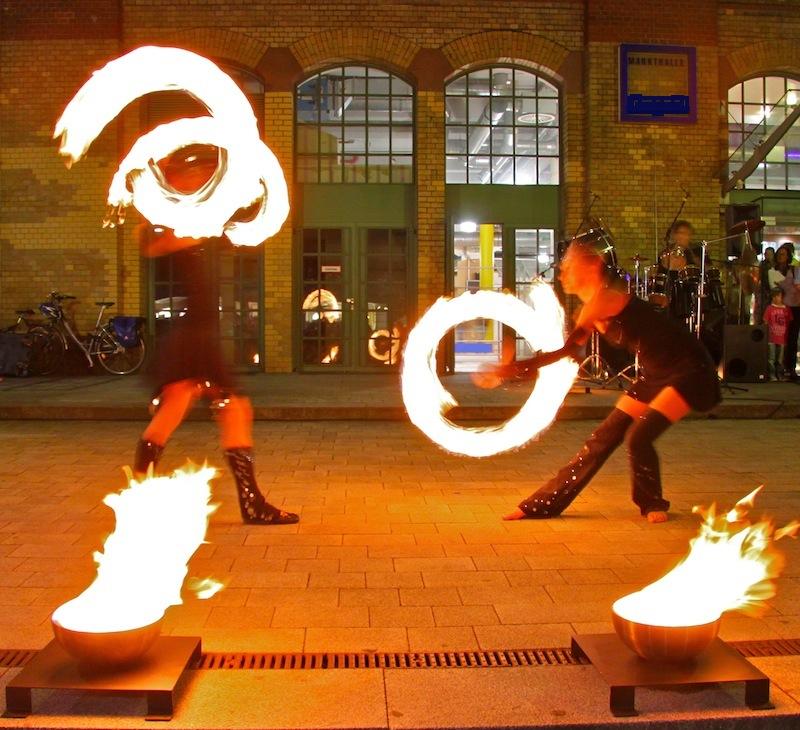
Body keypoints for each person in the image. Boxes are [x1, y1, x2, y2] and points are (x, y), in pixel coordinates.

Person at [474, 240, 721, 523]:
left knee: (639, 438)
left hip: (688, 370)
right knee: (603, 437)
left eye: (569, 266)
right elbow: (568, 354)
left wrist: (512, 369)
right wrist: (513, 370)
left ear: (592, 266)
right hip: (655, 373)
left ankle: (652, 503)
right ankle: (542, 504)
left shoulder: (604, 300)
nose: (562, 273)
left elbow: (565, 351)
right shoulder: (589, 309)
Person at [132, 150, 299, 525]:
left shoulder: (196, 218)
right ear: (175, 183)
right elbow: (153, 242)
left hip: (198, 333)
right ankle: (252, 505)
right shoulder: (169, 222)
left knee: (177, 411)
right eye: (194, 175)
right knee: (234, 409)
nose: (203, 180)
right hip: (193, 335)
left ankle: (139, 497)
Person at [772, 244, 800, 381]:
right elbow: (773, 289)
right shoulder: (773, 271)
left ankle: (791, 368)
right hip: (779, 307)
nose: (780, 256)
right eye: (779, 254)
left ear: (788, 256)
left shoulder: (794, 269)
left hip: (794, 306)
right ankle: (778, 368)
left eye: (783, 254)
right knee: (779, 338)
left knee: (793, 338)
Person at [763, 287, 793, 380]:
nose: (777, 298)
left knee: (780, 359)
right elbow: (765, 321)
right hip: (771, 337)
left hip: (782, 338)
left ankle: (779, 374)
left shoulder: (786, 309)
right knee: (771, 358)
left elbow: (790, 321)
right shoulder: (769, 308)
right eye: (775, 296)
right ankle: (772, 374)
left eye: (779, 296)